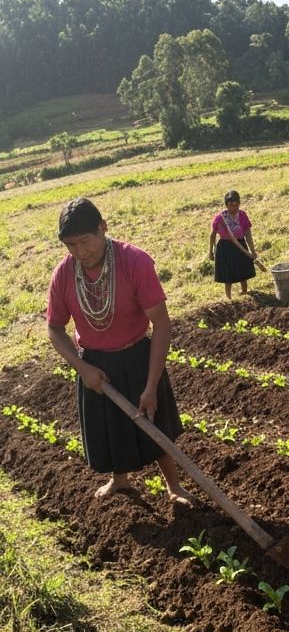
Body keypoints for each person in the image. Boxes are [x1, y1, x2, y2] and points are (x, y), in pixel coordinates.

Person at [46, 198, 193, 504]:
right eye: (71, 245)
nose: (79, 252)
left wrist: (151, 385)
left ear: (103, 228)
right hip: (94, 364)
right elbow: (55, 328)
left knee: (154, 423)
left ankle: (173, 486)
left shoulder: (135, 262)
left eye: (85, 241)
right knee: (109, 428)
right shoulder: (63, 274)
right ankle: (120, 481)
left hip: (137, 356)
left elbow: (161, 325)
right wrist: (81, 367)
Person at [208, 189, 257, 299]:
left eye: (236, 205)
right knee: (227, 274)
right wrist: (210, 251)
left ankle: (244, 292)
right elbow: (212, 234)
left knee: (243, 270)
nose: (234, 208)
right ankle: (228, 297)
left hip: (240, 245)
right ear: (226, 205)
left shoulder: (242, 215)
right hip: (225, 247)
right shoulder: (220, 218)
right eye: (231, 205)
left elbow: (248, 233)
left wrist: (252, 250)